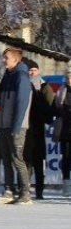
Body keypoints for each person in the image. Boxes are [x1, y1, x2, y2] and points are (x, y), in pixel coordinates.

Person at [0, 46, 32, 205]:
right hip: (4, 125)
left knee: (17, 159)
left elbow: (21, 104)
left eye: (6, 58)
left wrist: (16, 127)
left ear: (16, 59)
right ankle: (9, 190)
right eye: (3, 58)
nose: (4, 61)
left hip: (17, 127)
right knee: (6, 159)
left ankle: (26, 193)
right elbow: (3, 101)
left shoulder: (21, 76)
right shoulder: (8, 76)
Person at [23, 59, 54, 199]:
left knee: (38, 162)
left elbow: (49, 109)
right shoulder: (23, 86)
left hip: (38, 129)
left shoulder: (44, 87)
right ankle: (25, 189)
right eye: (30, 70)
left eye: (34, 70)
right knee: (26, 161)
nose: (32, 73)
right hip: (25, 129)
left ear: (38, 71)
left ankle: (39, 190)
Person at [52, 69, 71, 197]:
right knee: (66, 158)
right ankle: (66, 184)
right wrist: (60, 111)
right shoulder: (61, 90)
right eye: (68, 78)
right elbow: (54, 108)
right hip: (64, 130)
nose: (69, 80)